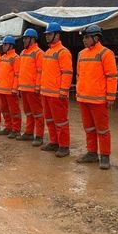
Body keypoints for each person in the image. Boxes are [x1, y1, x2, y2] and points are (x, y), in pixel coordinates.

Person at [75, 25, 118, 169]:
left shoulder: (106, 53)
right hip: (84, 98)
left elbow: (111, 76)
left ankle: (104, 157)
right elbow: (79, 75)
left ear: (96, 38)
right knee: (89, 128)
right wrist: (78, 93)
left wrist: (110, 97)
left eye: (87, 37)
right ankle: (92, 153)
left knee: (103, 130)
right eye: (84, 37)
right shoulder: (81, 54)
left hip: (98, 100)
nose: (84, 40)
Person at [39, 22, 73, 157]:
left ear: (57, 35)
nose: (47, 37)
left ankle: (64, 146)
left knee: (61, 121)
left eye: (50, 34)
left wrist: (63, 90)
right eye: (46, 34)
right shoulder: (48, 52)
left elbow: (67, 72)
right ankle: (54, 142)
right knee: (50, 119)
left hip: (57, 94)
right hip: (46, 92)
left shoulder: (63, 52)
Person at [17, 28, 45, 145]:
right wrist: (19, 87)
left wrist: (38, 87)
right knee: (28, 112)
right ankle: (28, 133)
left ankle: (39, 136)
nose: (24, 40)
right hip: (24, 88)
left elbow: (40, 71)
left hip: (33, 89)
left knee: (38, 113)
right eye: (24, 38)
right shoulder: (23, 53)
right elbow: (20, 71)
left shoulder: (39, 53)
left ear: (33, 39)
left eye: (26, 38)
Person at [0, 35, 21, 139]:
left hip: (10, 90)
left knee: (14, 111)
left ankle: (16, 130)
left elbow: (17, 74)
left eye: (5, 44)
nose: (3, 46)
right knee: (5, 110)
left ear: (11, 45)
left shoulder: (15, 58)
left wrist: (15, 88)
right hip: (2, 89)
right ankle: (8, 127)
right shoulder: (2, 58)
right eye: (3, 44)